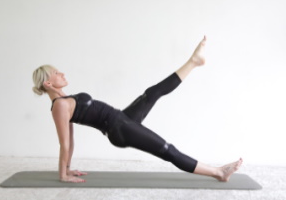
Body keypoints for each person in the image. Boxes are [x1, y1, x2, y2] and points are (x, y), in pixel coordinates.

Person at [32, 36, 242, 183]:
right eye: (56, 74)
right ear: (48, 84)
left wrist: (69, 169)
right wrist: (63, 174)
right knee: (167, 149)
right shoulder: (59, 106)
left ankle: (194, 62)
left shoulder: (65, 100)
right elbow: (65, 143)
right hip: (119, 129)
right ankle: (218, 172)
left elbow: (71, 139)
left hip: (122, 118)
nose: (61, 73)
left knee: (152, 92)